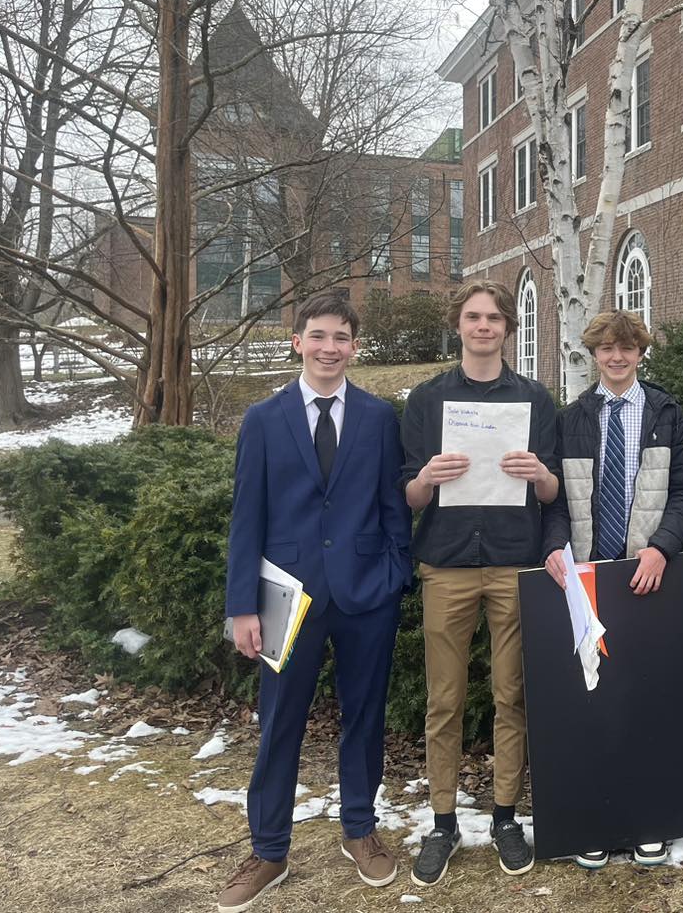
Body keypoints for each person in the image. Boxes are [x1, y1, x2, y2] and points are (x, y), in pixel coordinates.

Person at [219, 294, 412, 913]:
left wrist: (396, 575)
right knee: (279, 724)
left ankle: (360, 829)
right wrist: (241, 606)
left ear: (355, 346)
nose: (331, 347)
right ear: (297, 340)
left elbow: (392, 505)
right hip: (284, 598)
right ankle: (269, 848)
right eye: (319, 335)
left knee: (364, 717)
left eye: (342, 337)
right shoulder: (264, 419)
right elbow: (246, 517)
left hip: (365, 594)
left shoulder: (380, 417)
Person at [400, 279, 568, 884]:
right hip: (445, 563)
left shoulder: (535, 399)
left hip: (515, 563)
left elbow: (553, 493)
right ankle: (442, 822)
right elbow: (408, 494)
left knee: (511, 695)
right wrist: (426, 477)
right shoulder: (426, 399)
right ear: (459, 324)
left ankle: (504, 816)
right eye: (473, 317)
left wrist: (540, 474)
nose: (484, 326)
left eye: (495, 318)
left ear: (507, 328)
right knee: (443, 700)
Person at [547, 309, 683, 868]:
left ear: (640, 353)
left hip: (646, 574)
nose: (616, 357)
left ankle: (646, 818)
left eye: (627, 349)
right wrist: (555, 547)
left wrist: (662, 545)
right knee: (590, 703)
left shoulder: (665, 410)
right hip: (587, 573)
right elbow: (557, 500)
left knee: (643, 697)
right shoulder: (574, 416)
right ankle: (596, 818)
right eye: (606, 349)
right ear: (594, 355)